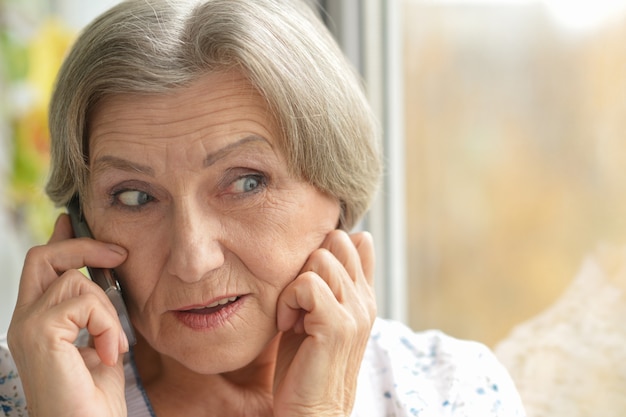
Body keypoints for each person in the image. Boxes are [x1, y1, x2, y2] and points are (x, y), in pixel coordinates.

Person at [0, 0, 526, 416]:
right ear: (81, 227)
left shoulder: (452, 391)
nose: (193, 259)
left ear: (337, 191)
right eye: (135, 197)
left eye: (247, 183)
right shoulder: (25, 394)